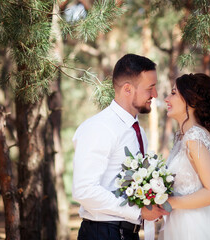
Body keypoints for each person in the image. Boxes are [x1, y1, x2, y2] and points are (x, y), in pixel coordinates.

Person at [72, 54, 169, 240]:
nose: (155, 94)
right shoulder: (99, 127)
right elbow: (84, 189)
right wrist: (138, 210)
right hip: (102, 233)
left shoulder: (137, 129)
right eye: (150, 88)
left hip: (129, 233)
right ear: (127, 89)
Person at [159, 73, 210, 240]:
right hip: (178, 223)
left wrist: (168, 203)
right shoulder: (182, 137)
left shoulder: (194, 137)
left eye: (173, 93)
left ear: (190, 100)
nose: (167, 98)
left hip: (193, 227)